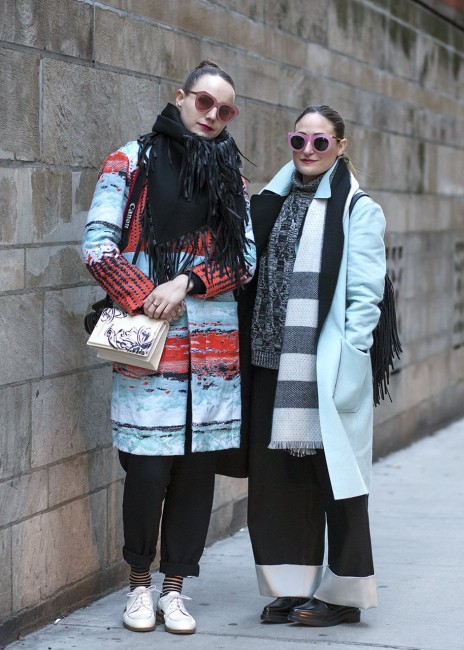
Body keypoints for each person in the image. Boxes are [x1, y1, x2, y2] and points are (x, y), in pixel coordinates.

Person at [82, 60, 255, 635]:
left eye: (225, 109)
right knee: (147, 474)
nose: (212, 115)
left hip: (212, 359)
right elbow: (98, 246)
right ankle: (138, 585)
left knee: (195, 480)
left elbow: (244, 259)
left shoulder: (231, 176)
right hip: (149, 351)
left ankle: (175, 589)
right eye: (204, 101)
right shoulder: (129, 161)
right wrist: (146, 295)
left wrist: (187, 282)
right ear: (180, 97)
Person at [245, 105, 386, 627]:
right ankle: (291, 587)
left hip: (323, 367)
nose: (307, 150)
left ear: (340, 146)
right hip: (269, 362)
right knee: (278, 482)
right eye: (298, 140)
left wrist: (350, 359)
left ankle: (345, 595)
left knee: (338, 483)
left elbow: (365, 297)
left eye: (320, 142)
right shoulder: (270, 200)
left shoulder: (358, 209)